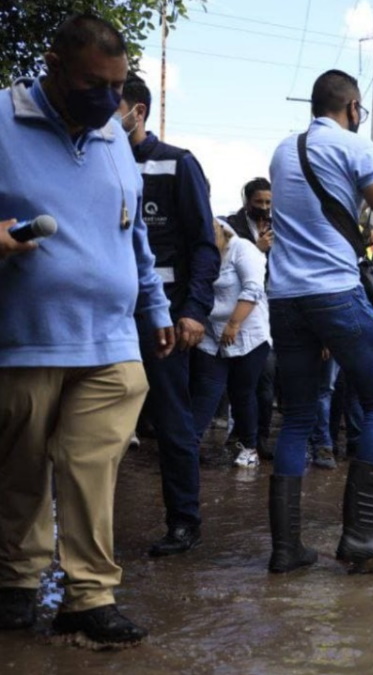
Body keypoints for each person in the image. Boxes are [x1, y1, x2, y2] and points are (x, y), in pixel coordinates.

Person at [0, 13, 174, 647]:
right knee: (19, 469)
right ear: (52, 65)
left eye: (117, 85)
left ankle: (88, 596)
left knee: (89, 464)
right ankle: (17, 582)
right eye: (92, 84)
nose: (107, 100)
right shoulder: (2, 121)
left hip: (112, 341)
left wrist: (154, 308)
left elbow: (136, 238)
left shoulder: (112, 137)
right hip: (25, 336)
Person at [266, 69, 373, 574]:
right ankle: (360, 540)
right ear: (353, 107)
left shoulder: (283, 150)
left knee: (298, 418)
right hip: (335, 293)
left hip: (285, 299)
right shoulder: (357, 148)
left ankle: (287, 550)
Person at [117, 73, 220, 558]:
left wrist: (195, 310)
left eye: (113, 103)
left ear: (138, 111)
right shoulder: (96, 158)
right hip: (106, 312)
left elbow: (204, 244)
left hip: (165, 315)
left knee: (171, 418)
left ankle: (184, 522)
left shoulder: (178, 165)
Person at [188, 219, 270, 468]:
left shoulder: (243, 248)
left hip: (247, 333)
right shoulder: (200, 252)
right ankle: (188, 446)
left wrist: (234, 324)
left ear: (221, 231)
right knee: (206, 389)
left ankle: (250, 446)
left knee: (242, 392)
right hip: (211, 333)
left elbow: (253, 289)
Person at [225, 177, 276, 457]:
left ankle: (260, 437)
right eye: (259, 203)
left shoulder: (279, 225)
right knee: (241, 383)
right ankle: (242, 435)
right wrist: (256, 249)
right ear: (247, 202)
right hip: (241, 310)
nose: (264, 208)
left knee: (265, 381)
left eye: (269, 203)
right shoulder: (233, 226)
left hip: (269, 313)